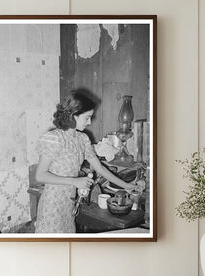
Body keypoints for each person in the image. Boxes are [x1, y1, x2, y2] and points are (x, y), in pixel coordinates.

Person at [34, 89, 139, 233]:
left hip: (69, 203)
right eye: (87, 117)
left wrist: (125, 185)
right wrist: (74, 181)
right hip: (52, 203)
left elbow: (100, 168)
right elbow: (40, 175)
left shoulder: (82, 139)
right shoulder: (54, 138)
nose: (89, 122)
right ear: (73, 116)